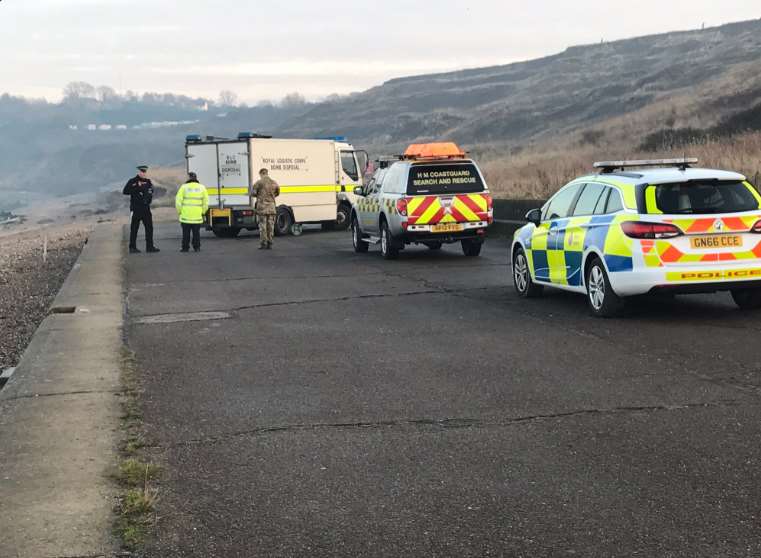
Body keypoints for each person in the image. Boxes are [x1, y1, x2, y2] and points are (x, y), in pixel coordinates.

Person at [123, 165, 159, 253]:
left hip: (146, 208)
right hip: (136, 209)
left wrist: (148, 199)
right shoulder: (132, 181)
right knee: (134, 228)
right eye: (142, 172)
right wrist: (136, 188)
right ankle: (132, 247)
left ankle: (150, 247)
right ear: (138, 172)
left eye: (144, 172)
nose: (143, 173)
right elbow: (125, 191)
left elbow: (151, 191)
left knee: (149, 228)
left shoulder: (148, 182)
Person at [175, 172, 209, 252]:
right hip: (197, 216)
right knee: (196, 233)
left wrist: (179, 211)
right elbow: (206, 202)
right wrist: (203, 212)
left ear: (189, 178)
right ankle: (197, 247)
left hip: (185, 216)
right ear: (196, 178)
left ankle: (185, 248)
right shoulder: (202, 188)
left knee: (186, 233)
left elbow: (178, 201)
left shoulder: (184, 187)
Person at [252, 168, 280, 249]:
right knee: (270, 225)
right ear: (267, 173)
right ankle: (270, 243)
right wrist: (271, 197)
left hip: (262, 208)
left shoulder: (259, 183)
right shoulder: (274, 182)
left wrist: (258, 195)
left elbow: (253, 193)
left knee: (262, 226)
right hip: (271, 207)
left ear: (261, 173)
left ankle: (263, 243)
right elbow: (277, 192)